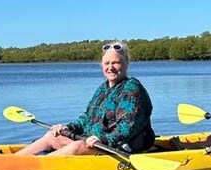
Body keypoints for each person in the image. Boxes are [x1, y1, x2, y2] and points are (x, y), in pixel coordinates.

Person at [14, 41, 155, 156]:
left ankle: (36, 166)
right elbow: (87, 118)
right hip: (93, 142)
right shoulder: (103, 88)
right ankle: (14, 161)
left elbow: (127, 128)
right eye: (107, 63)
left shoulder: (132, 88)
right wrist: (68, 127)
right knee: (52, 137)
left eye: (116, 63)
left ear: (126, 64)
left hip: (118, 147)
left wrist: (103, 139)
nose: (110, 68)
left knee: (77, 146)